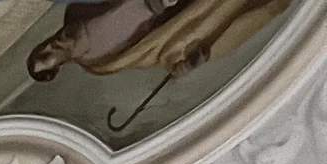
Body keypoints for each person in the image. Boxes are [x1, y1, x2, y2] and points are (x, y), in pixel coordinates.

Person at [27, 0, 291, 83]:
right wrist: (182, 64)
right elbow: (154, 52)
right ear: (57, 67)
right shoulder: (101, 62)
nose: (50, 46)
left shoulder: (74, 11)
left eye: (42, 47)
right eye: (46, 57)